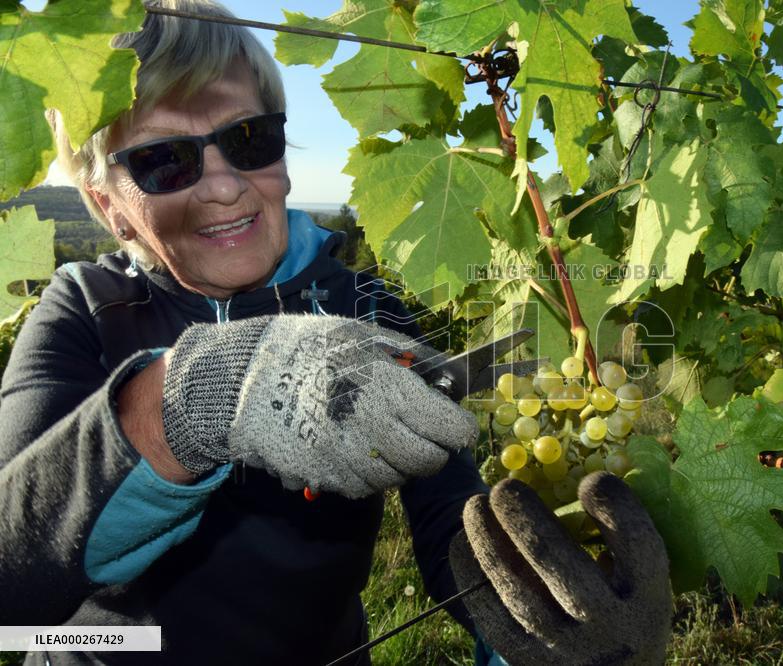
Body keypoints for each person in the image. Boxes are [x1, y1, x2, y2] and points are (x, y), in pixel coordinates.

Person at [0, 1, 671, 664]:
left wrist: (540, 630)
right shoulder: (84, 308)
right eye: (166, 161)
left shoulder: (364, 307)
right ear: (106, 204)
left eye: (247, 139)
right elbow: (12, 578)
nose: (226, 186)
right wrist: (193, 394)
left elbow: (449, 520)